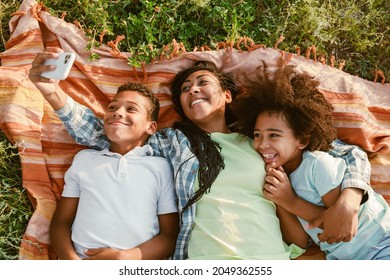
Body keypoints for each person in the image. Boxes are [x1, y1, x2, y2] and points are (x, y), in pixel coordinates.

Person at [29, 48, 371, 259]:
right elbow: (108, 134)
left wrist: (349, 200)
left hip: (269, 257)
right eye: (184, 90)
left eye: (202, 82)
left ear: (226, 95)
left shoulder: (259, 137)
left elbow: (345, 152)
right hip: (200, 261)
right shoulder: (172, 142)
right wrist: (52, 91)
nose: (192, 90)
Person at [232, 64, 390, 259]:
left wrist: (289, 201)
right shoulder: (277, 176)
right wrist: (280, 200)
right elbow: (299, 241)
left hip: (380, 243)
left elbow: (339, 224)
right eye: (257, 135)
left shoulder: (318, 165)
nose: (262, 144)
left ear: (302, 140)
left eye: (274, 135)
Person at [49, 82, 179, 260]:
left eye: (131, 109)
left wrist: (126, 257)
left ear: (151, 127)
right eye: (112, 107)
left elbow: (169, 237)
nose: (118, 112)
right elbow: (61, 223)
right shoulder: (84, 159)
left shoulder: (160, 167)